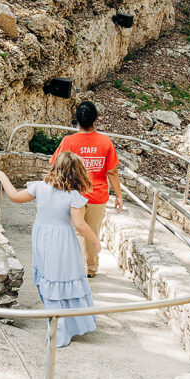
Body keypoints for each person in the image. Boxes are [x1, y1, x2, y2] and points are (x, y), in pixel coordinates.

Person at [0, 152, 100, 348]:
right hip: (63, 242)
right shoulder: (74, 196)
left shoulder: (40, 187)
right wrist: (95, 241)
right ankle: (65, 328)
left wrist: (2, 176)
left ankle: (56, 326)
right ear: (77, 173)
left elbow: (15, 196)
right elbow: (79, 225)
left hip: (41, 239)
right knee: (64, 278)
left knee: (49, 279)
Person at [50, 101, 122, 278]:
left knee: (75, 231)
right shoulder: (105, 142)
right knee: (92, 231)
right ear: (95, 119)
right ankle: (90, 268)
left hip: (74, 195)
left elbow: (55, 164)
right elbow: (112, 171)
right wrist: (119, 196)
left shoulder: (69, 141)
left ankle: (73, 268)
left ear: (77, 120)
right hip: (98, 196)